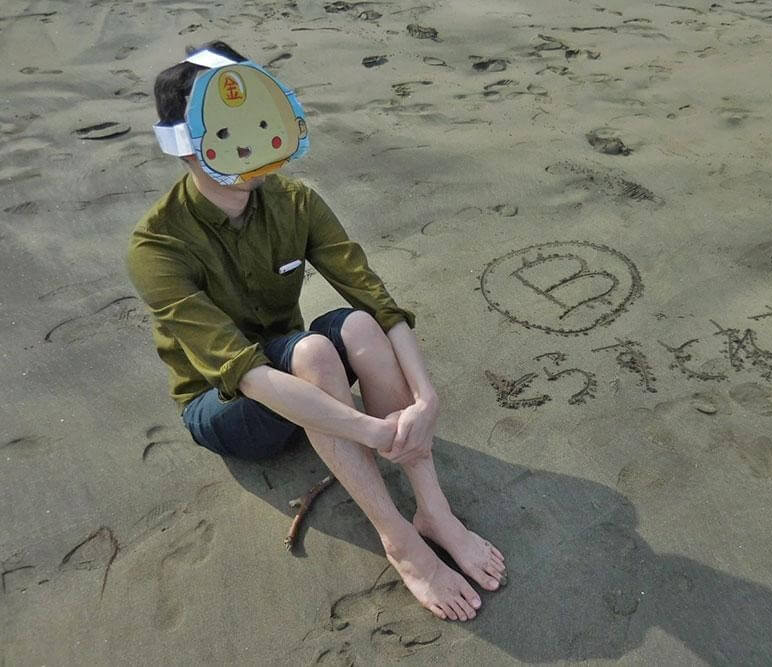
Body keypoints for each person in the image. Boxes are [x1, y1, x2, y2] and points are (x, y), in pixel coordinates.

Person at [127, 41, 504, 622]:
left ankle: (435, 511)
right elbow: (245, 374)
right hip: (224, 405)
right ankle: (399, 539)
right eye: (224, 125)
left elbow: (377, 302)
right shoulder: (157, 245)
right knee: (313, 352)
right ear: (186, 142)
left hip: (302, 372)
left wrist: (426, 397)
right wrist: (369, 429)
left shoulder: (295, 201)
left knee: (357, 326)